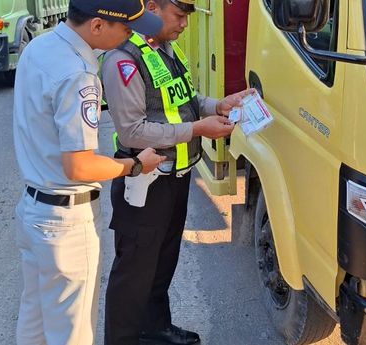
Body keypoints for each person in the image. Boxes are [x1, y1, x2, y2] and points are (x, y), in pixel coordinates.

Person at [100, 0, 253, 344]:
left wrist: (219, 105)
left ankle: (155, 329)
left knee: (161, 263)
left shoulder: (165, 49)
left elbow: (185, 100)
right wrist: (198, 128)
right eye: (179, 15)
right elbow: (132, 132)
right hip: (145, 180)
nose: (185, 24)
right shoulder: (123, 59)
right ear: (152, 7)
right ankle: (123, 338)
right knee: (134, 273)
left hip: (176, 178)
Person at [12, 1, 165, 344]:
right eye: (127, 29)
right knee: (73, 334)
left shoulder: (40, 47)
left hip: (34, 211)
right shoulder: (78, 74)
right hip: (65, 223)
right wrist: (136, 164)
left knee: (34, 321)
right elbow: (79, 165)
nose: (131, 37)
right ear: (97, 26)